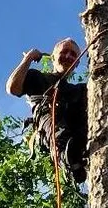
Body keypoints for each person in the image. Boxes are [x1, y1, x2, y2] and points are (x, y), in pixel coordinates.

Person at [6, 38, 88, 183]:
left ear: (77, 63)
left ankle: (81, 155)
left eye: (73, 54)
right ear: (53, 57)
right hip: (50, 121)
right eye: (64, 52)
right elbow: (13, 88)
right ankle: (68, 158)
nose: (68, 56)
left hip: (74, 128)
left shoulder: (78, 90)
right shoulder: (37, 77)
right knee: (54, 118)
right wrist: (28, 59)